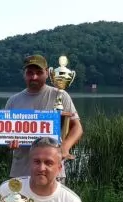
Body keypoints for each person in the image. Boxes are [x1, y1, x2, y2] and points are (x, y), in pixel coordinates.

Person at [5, 54, 83, 183]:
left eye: (39, 72)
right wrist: (8, 142)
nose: (34, 77)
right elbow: (4, 135)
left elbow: (77, 127)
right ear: (24, 74)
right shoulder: (13, 101)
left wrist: (65, 146)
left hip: (53, 172)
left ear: (47, 73)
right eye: (30, 73)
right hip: (21, 171)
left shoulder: (61, 95)